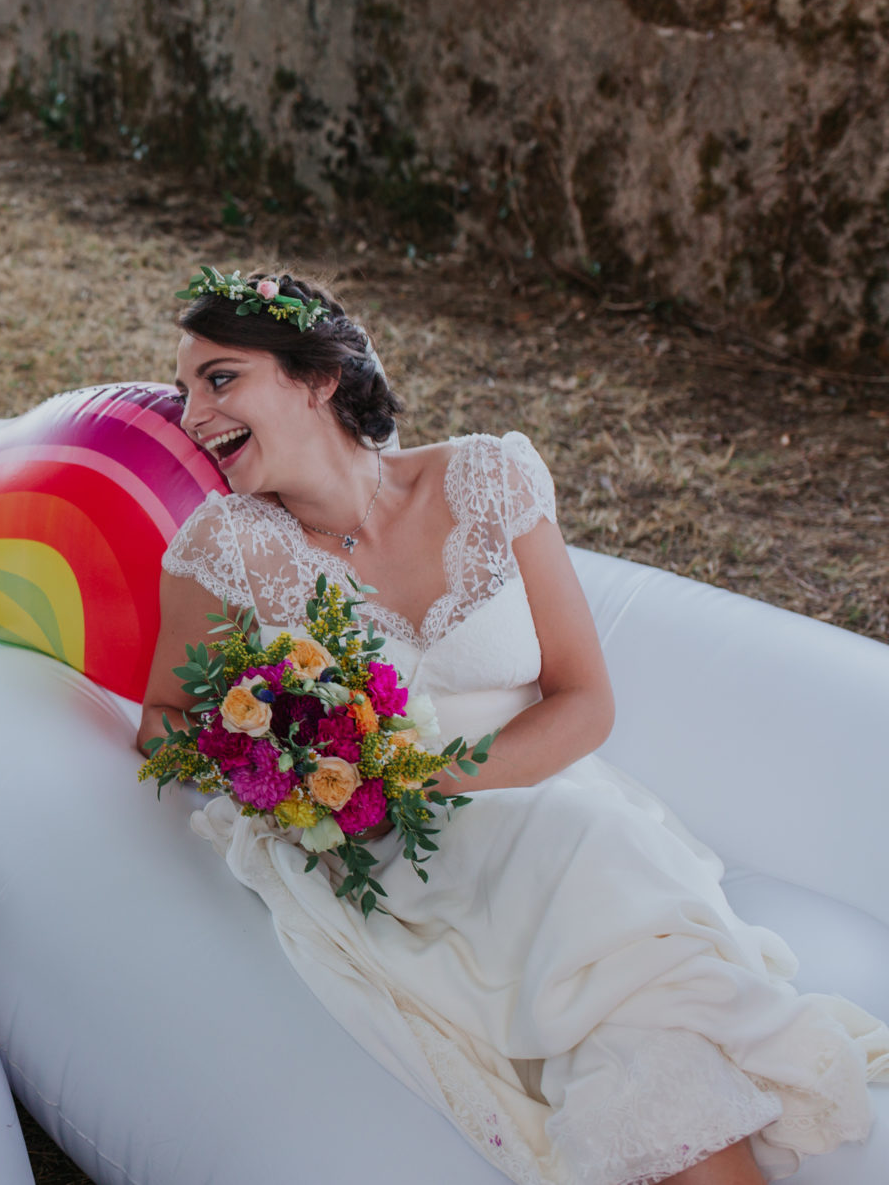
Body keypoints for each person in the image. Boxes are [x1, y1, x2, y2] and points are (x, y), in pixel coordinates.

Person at [140, 271, 886, 1185]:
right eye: (183, 392)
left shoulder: (487, 477)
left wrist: (434, 773)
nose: (191, 415)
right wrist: (272, 761)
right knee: (598, 891)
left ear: (317, 378)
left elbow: (585, 701)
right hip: (388, 855)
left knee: (585, 857)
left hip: (540, 799)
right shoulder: (222, 549)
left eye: (219, 379)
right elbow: (163, 720)